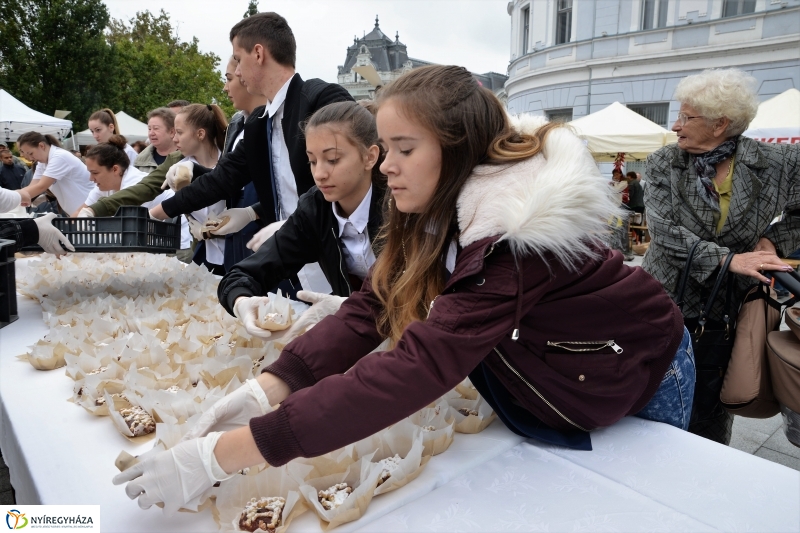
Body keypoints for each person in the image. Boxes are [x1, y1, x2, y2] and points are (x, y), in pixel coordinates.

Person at [114, 65, 693, 511]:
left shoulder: (516, 233)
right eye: (386, 149)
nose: (386, 166)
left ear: (458, 147)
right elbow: (376, 303)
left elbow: (416, 367)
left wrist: (223, 455)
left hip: (637, 366)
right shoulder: (440, 205)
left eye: (404, 150)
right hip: (560, 369)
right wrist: (274, 385)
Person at [642, 68, 800, 445]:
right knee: (656, 398)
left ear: (720, 124)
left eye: (686, 117)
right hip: (663, 300)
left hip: (729, 308)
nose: (676, 126)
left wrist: (774, 240)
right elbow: (664, 233)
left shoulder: (780, 163)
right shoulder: (664, 163)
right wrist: (730, 260)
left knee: (712, 406)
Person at [148, 12, 354, 293]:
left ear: (258, 54)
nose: (237, 71)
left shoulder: (321, 99)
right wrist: (158, 212)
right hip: (291, 261)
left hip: (338, 257)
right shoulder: (259, 125)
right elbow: (223, 178)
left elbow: (347, 177)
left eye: (238, 58)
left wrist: (292, 224)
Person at [218, 100, 385, 337]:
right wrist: (241, 300)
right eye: (312, 161)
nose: (319, 174)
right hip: (359, 336)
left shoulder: (401, 204)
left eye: (333, 159)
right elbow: (246, 273)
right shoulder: (315, 209)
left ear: (370, 157)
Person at [71, 136, 190, 253]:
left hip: (177, 243)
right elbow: (79, 214)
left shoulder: (134, 183)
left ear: (115, 170)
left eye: (95, 173)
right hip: (153, 242)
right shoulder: (103, 185)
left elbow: (119, 231)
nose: (91, 178)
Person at [219, 55, 268, 271]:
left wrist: (253, 212)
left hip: (263, 226)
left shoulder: (274, 122)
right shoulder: (236, 123)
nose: (225, 87)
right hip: (235, 224)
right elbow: (226, 174)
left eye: (229, 78)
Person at [171, 103, 229, 275]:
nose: (174, 139)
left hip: (240, 252)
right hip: (205, 254)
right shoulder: (180, 168)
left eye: (179, 132)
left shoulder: (230, 160)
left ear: (200, 134)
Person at [16, 133, 94, 216]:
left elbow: (41, 186)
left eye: (31, 153)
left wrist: (10, 197)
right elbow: (32, 186)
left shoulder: (59, 157)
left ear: (42, 146)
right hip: (79, 212)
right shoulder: (43, 162)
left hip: (89, 209)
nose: (31, 158)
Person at [133, 108, 178, 173]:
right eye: (149, 129)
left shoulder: (187, 158)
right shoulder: (140, 161)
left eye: (156, 128)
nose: (151, 133)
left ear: (172, 132)